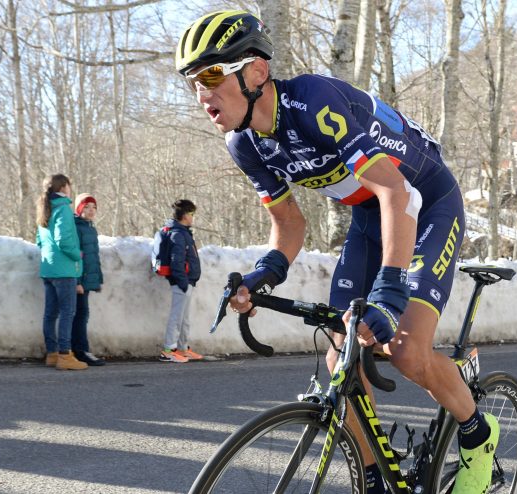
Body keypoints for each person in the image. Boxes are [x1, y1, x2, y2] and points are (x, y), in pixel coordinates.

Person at [175, 11, 496, 493]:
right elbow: (288, 223)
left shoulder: (313, 103)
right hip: (372, 216)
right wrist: (263, 276)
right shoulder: (244, 144)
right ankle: (374, 477)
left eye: (213, 76)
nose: (203, 94)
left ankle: (478, 435)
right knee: (337, 356)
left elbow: (398, 194)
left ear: (257, 71)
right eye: (194, 82)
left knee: (407, 350)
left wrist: (389, 290)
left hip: (425, 200)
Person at [36, 174, 87, 371]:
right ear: (64, 187)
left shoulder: (44, 207)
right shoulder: (64, 208)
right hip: (64, 268)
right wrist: (77, 255)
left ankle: (52, 353)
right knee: (68, 312)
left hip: (48, 267)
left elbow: (40, 240)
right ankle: (65, 355)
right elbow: (63, 239)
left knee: (50, 313)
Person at [160, 199, 203, 363]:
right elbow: (176, 261)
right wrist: (183, 282)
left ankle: (182, 348)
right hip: (181, 282)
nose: (193, 217)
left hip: (187, 281)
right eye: (192, 214)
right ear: (185, 215)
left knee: (184, 318)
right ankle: (167, 350)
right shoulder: (178, 234)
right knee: (176, 317)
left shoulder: (183, 232)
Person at [72, 193, 105, 366]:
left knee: (82, 313)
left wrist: (97, 279)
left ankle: (78, 349)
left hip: (87, 279)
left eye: (94, 207)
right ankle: (80, 350)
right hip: (79, 280)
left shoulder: (90, 227)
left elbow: (93, 256)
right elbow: (75, 256)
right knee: (80, 314)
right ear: (78, 209)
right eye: (86, 207)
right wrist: (77, 281)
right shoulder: (76, 228)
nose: (91, 211)